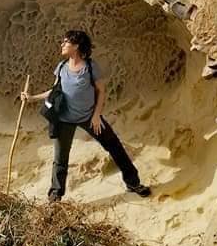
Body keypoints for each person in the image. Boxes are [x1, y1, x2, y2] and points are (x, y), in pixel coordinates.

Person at [22, 29, 151, 202]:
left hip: (89, 117)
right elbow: (54, 91)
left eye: (66, 42)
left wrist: (96, 116)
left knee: (115, 147)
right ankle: (55, 197)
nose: (62, 44)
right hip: (64, 120)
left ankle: (133, 183)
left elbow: (101, 91)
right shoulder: (61, 67)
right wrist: (31, 98)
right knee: (60, 160)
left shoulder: (90, 67)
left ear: (76, 46)